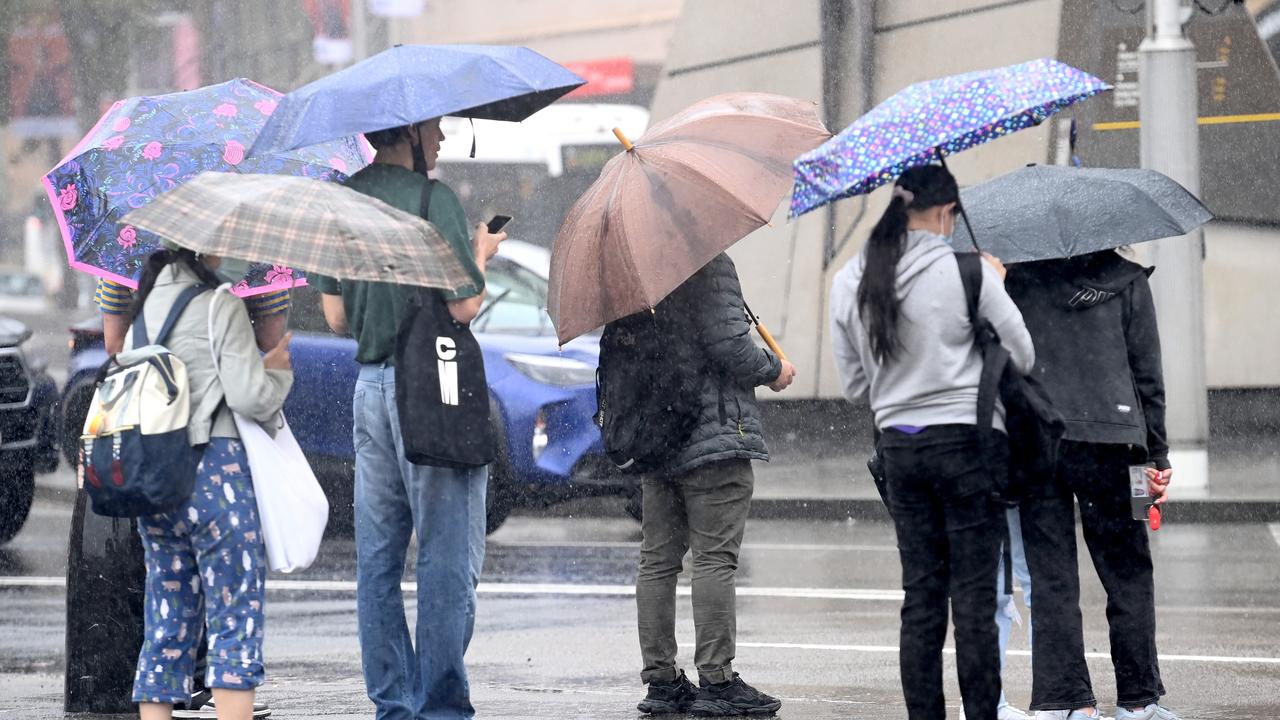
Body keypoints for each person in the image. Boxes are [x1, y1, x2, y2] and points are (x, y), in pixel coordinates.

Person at [312, 117, 505, 720]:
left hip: (369, 389)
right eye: (436, 128)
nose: (443, 139)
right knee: (446, 555)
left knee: (378, 557)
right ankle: (440, 705)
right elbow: (464, 305)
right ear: (410, 131)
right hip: (427, 387)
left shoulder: (341, 200)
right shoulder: (433, 200)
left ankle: (393, 702)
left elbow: (337, 318)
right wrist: (481, 253)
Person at [829, 164, 1034, 720]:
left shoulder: (850, 279)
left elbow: (853, 386)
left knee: (921, 598)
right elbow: (1023, 355)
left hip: (900, 448)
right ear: (946, 213)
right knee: (972, 598)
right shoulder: (968, 273)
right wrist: (991, 282)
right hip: (967, 446)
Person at [90, 276, 287, 720]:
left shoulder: (141, 310)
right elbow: (250, 396)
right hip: (216, 475)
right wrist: (278, 371)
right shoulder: (223, 305)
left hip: (159, 480)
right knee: (234, 621)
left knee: (166, 626)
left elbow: (114, 347)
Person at [1005, 250, 1178, 720]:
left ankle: (1067, 702)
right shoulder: (1127, 280)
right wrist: (1157, 456)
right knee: (1129, 571)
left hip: (1038, 439)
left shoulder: (1016, 280)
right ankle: (1139, 700)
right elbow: (1148, 375)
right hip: (1118, 442)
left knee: (1051, 576)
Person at [628, 251, 797, 718]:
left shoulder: (640, 267)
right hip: (714, 434)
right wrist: (772, 368)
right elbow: (728, 345)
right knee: (714, 558)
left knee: (658, 560)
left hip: (657, 437)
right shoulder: (707, 260)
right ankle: (717, 680)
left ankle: (661, 681)